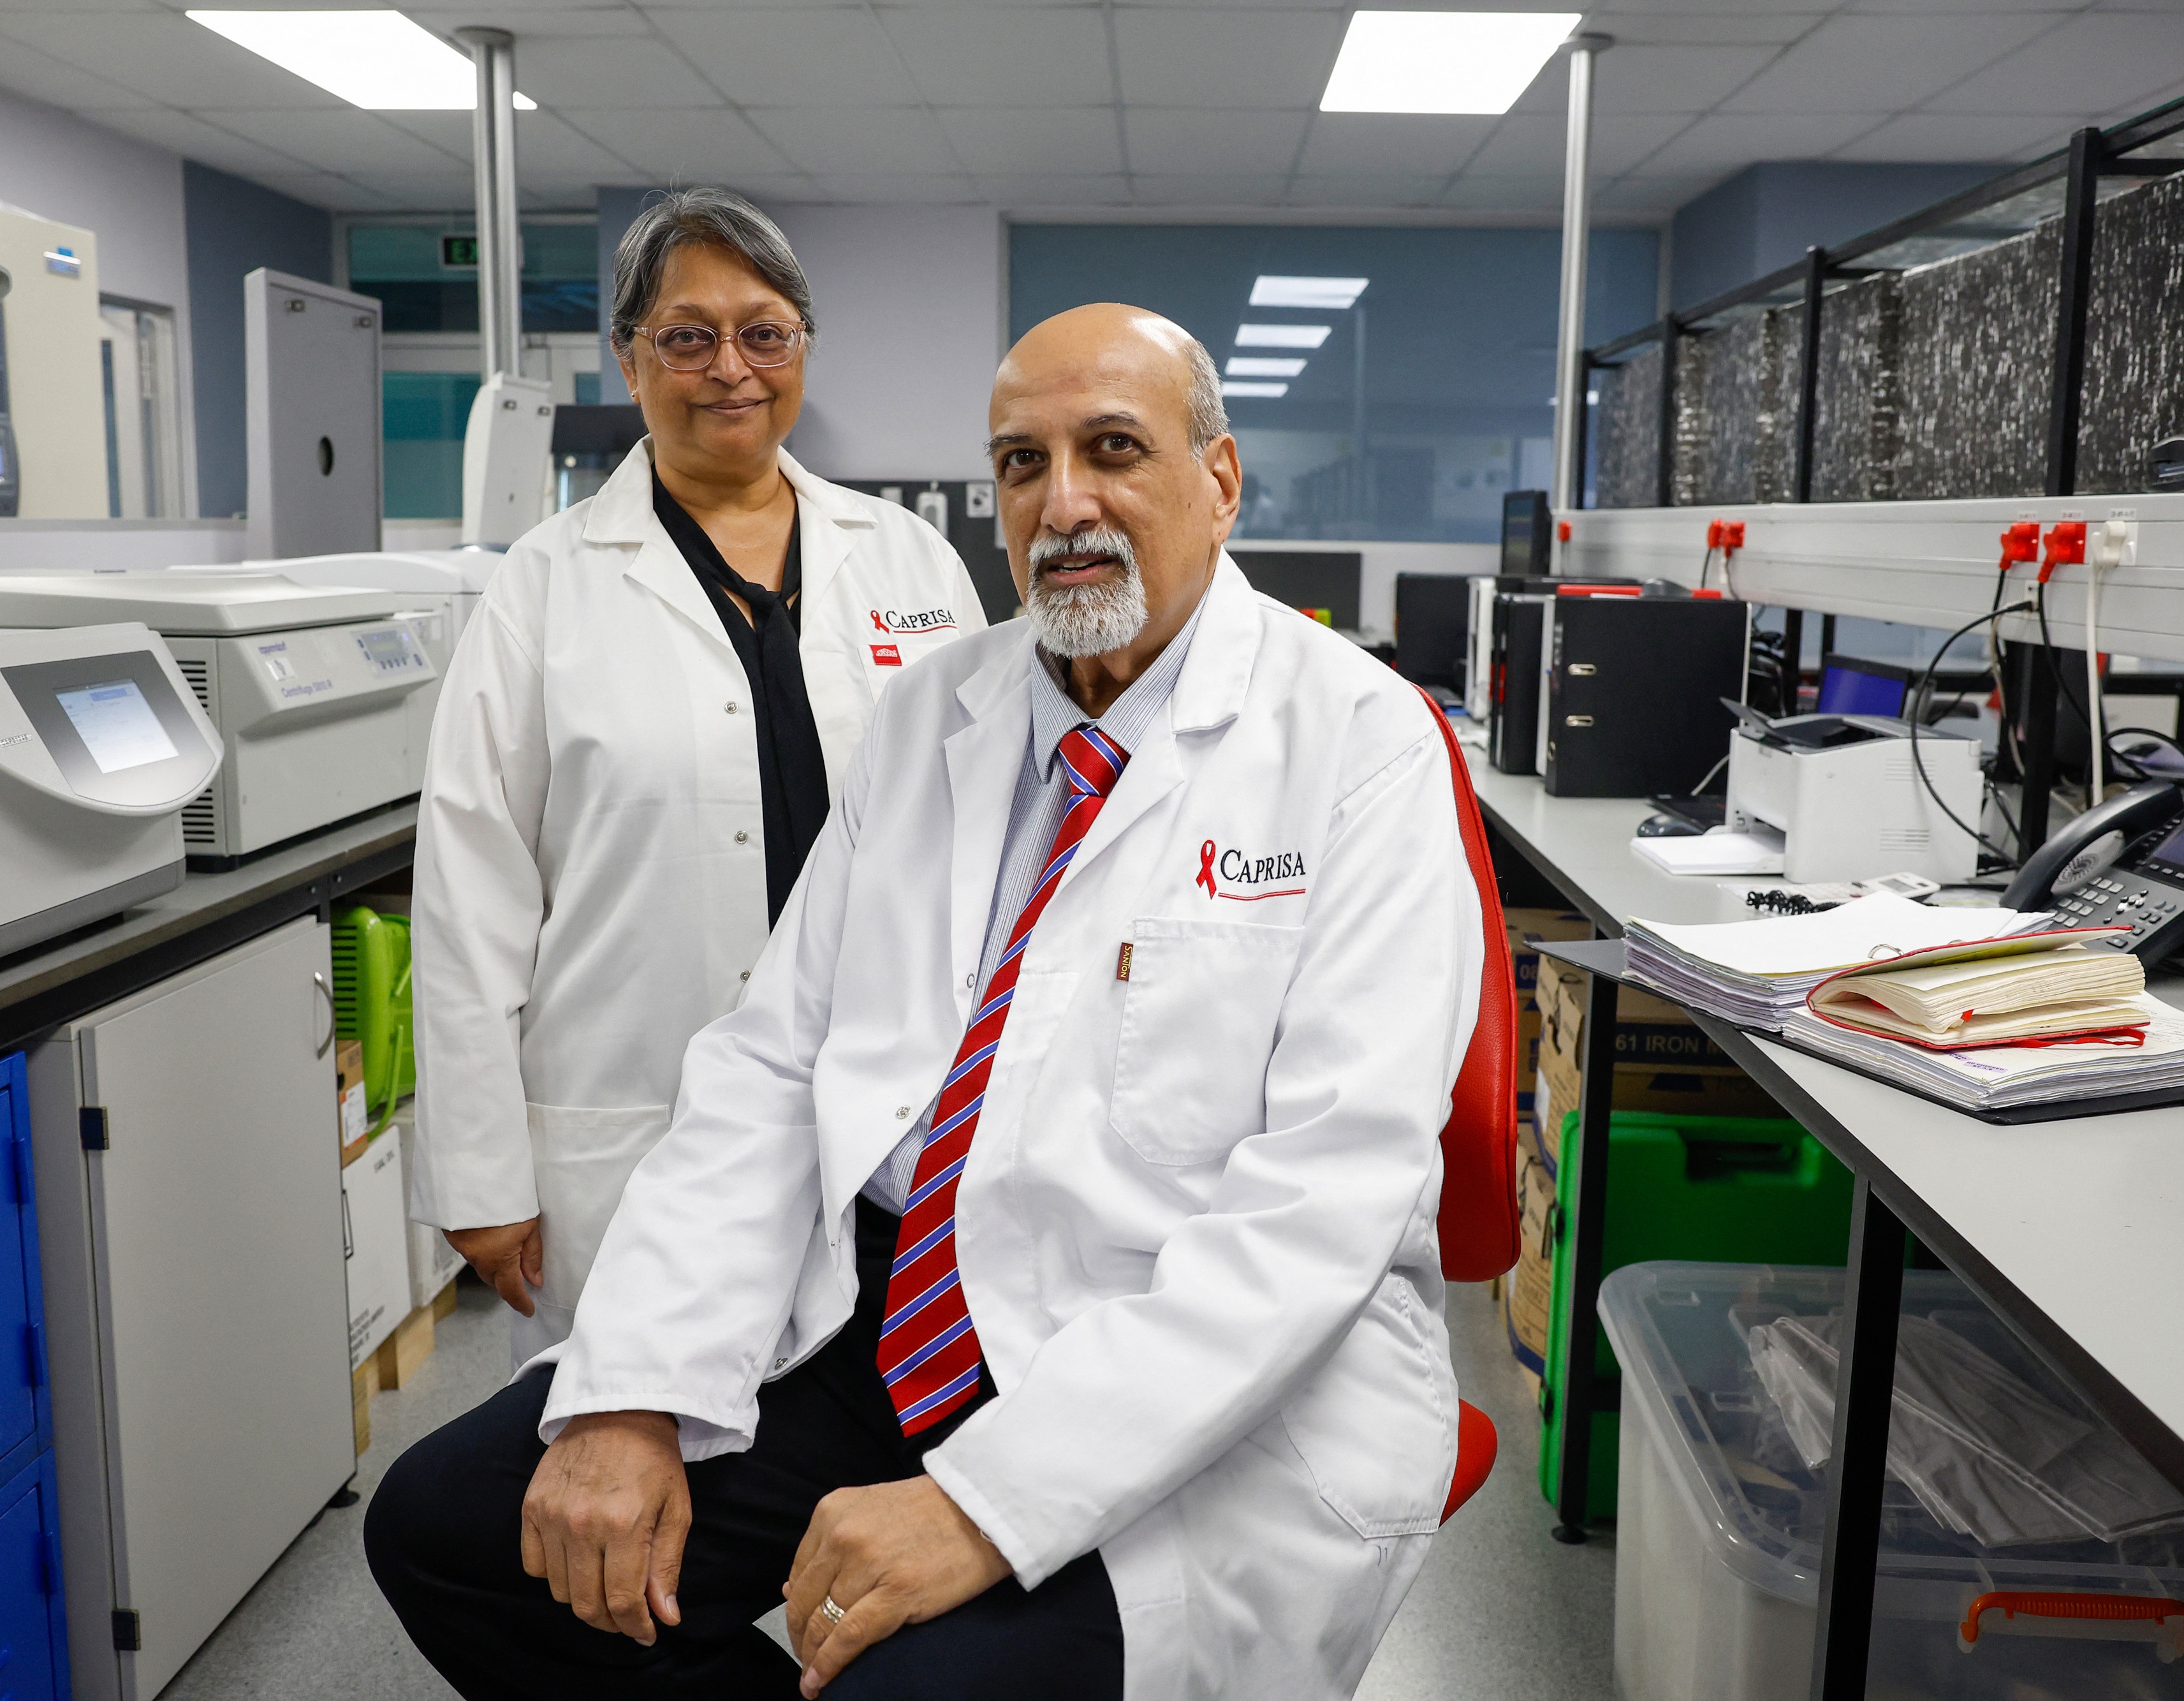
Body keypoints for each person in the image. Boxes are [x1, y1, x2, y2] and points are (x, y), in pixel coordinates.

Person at [369, 303, 1483, 1700]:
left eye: (1113, 450)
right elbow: (771, 1068)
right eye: (1021, 463)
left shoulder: (1356, 737)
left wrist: (985, 1501)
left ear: (1219, 479)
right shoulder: (932, 714)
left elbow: (1322, 1198)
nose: (1061, 504)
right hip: (889, 1309)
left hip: (1183, 1356)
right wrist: (634, 1386)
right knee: (452, 1530)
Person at [408, 187, 986, 1364]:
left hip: (887, 1111)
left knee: (862, 1452)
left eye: (764, 332)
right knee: (646, 1445)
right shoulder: (546, 585)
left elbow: (989, 832)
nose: (732, 367)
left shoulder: (911, 560)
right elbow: (470, 890)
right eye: (687, 335)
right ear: (630, 360)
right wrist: (479, 1170)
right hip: (640, 1116)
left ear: (803, 351)